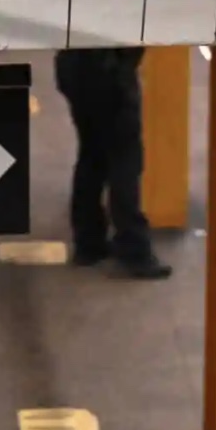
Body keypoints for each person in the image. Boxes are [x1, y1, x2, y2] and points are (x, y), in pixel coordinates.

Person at [53, 47, 172, 279]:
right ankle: (134, 249)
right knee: (125, 160)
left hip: (74, 67)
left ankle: (88, 243)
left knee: (91, 153)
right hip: (110, 70)